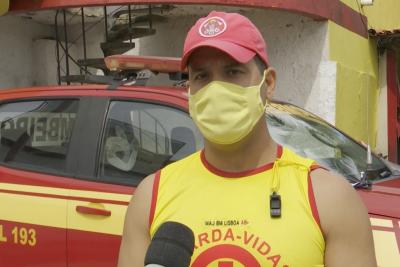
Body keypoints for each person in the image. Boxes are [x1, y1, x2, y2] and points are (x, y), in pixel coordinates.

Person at [118, 11, 377, 267]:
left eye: (233, 72)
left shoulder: (328, 198)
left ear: (269, 83)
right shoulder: (151, 197)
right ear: (189, 89)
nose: (216, 89)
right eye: (202, 76)